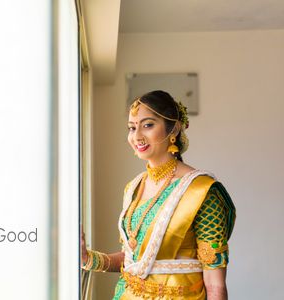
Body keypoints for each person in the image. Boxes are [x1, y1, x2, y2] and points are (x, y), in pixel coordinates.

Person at [80, 90, 236, 299]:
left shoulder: (202, 191)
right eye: (132, 127)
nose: (137, 136)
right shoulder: (133, 188)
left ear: (174, 128)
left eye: (148, 125)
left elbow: (215, 286)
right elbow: (134, 260)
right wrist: (87, 259)